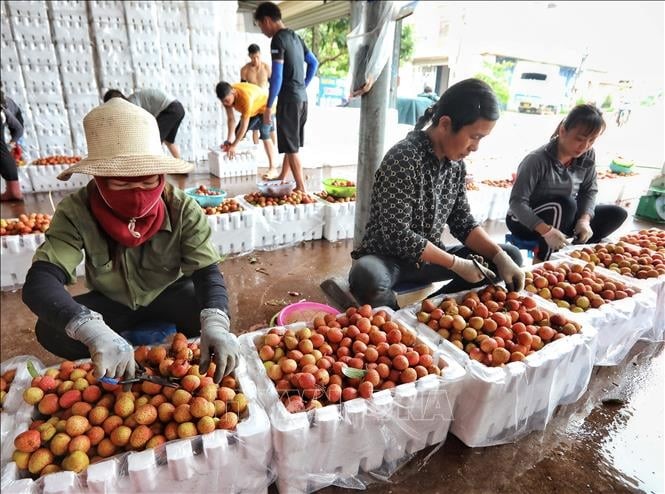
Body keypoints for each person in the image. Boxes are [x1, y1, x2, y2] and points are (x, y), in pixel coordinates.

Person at [21, 98, 239, 384]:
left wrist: (216, 323)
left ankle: (166, 345)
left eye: (148, 181)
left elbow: (207, 273)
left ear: (161, 177)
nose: (137, 192)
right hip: (110, 303)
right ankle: (108, 347)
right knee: (50, 328)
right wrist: (90, 329)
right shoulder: (76, 211)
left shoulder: (183, 209)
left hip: (168, 293)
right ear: (99, 179)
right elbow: (40, 282)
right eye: (121, 183)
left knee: (215, 310)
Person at [322, 79, 524, 310]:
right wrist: (456, 263)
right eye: (474, 136)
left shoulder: (455, 165)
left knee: (511, 255)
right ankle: (399, 322)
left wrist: (499, 257)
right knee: (368, 277)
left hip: (430, 261)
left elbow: (463, 222)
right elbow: (397, 234)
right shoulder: (404, 158)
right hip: (389, 261)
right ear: (445, 124)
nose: (475, 147)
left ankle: (431, 311)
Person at [507, 104, 628, 262]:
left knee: (616, 214)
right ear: (562, 131)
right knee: (564, 204)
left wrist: (584, 220)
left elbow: (589, 190)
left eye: (591, 140)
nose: (584, 147)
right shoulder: (536, 160)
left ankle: (575, 255)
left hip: (564, 216)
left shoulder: (587, 155)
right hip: (523, 220)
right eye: (579, 139)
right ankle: (544, 263)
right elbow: (517, 203)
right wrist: (546, 231)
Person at [254, 1, 319, 193]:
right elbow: (314, 63)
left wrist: (268, 106)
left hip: (289, 100)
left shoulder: (278, 39)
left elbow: (277, 77)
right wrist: (302, 86)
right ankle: (283, 177)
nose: (262, 30)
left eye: (260, 25)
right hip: (302, 99)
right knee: (291, 143)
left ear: (266, 20)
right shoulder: (296, 37)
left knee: (292, 147)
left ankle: (301, 187)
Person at [215, 81, 278, 180]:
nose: (225, 104)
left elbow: (244, 126)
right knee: (237, 132)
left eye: (227, 101)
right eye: (223, 101)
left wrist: (234, 145)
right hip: (254, 109)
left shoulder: (245, 98)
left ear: (233, 92)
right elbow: (231, 119)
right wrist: (229, 141)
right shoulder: (227, 97)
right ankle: (240, 160)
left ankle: (273, 168)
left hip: (266, 108)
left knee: (265, 133)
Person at [103, 88, 185, 160]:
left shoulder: (131, 104)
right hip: (178, 108)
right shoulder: (132, 101)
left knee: (154, 140)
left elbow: (140, 126)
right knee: (168, 141)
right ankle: (181, 167)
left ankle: (157, 170)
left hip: (171, 109)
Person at [240, 43, 276, 147]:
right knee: (254, 129)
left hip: (265, 102)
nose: (255, 60)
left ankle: (275, 150)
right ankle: (257, 151)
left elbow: (273, 85)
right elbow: (243, 90)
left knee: (270, 127)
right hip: (253, 102)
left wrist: (272, 100)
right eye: (253, 57)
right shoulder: (245, 70)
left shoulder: (266, 68)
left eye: (257, 57)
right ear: (249, 56)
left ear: (260, 54)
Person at [1, 88, 24, 201]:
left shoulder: (6, 109)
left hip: (14, 116)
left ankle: (13, 191)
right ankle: (13, 191)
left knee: (6, 149)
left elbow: (19, 129)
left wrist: (12, 143)